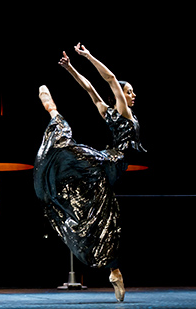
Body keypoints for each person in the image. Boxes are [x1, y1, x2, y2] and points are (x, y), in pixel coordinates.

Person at [33, 43, 146, 302]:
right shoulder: (122, 112)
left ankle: (114, 270)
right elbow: (104, 82)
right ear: (121, 96)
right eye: (129, 92)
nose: (132, 95)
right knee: (104, 216)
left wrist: (73, 66)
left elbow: (92, 89)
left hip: (110, 166)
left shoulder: (115, 114)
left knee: (108, 219)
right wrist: (82, 59)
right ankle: (114, 271)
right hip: (109, 163)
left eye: (132, 92)